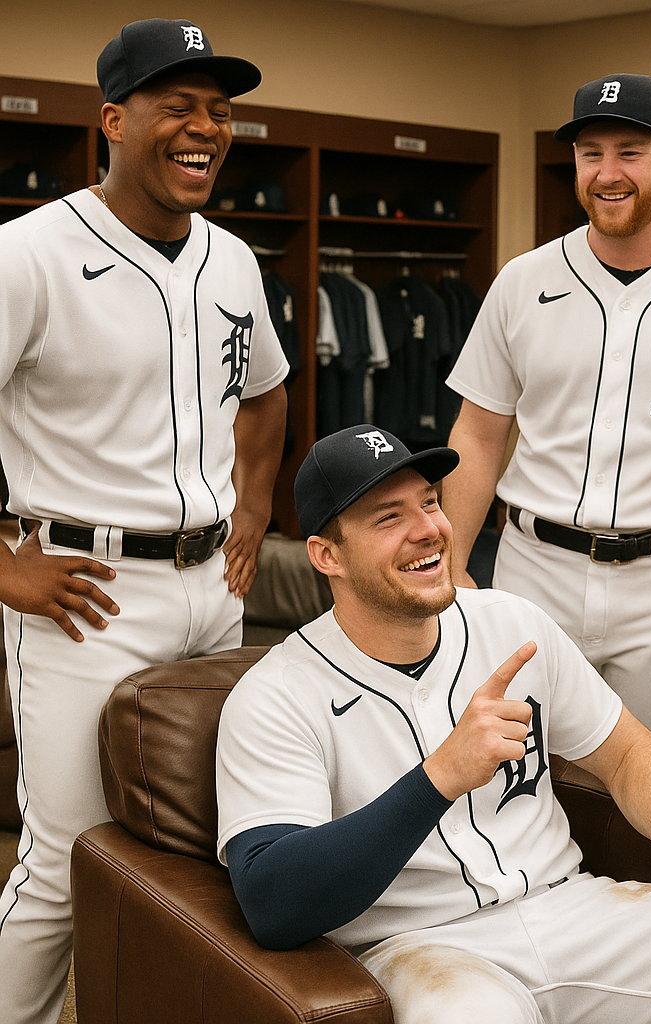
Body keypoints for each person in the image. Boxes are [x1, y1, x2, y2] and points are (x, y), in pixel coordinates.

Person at [216, 423, 651, 1024]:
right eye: (389, 517)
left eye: (429, 502)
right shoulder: (276, 694)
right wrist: (439, 778)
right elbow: (275, 905)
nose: (428, 529)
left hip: (572, 909)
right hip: (421, 947)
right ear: (326, 555)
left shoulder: (511, 623)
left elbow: (626, 755)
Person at [0, 19, 289, 1024]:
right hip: (84, 594)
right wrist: (5, 573)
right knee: (66, 859)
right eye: (179, 103)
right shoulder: (26, 253)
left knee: (202, 848)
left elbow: (265, 395)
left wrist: (254, 503)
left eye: (218, 109)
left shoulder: (234, 258)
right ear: (115, 120)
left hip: (210, 589)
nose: (204, 125)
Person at [444, 73, 651, 754]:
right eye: (590, 152)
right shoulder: (522, 280)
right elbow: (479, 435)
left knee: (646, 788)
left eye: (630, 151)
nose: (607, 172)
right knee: (516, 781)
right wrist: (452, 564)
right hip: (532, 569)